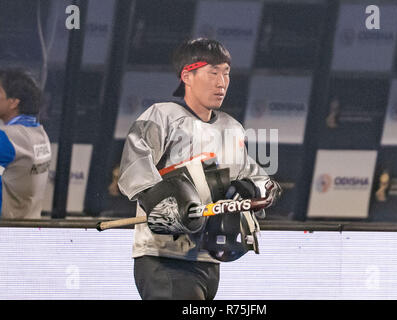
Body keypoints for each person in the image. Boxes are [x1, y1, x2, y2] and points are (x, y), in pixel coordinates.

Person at [117, 38, 281, 300]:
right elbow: (133, 168)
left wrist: (256, 190)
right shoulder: (161, 116)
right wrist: (161, 201)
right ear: (187, 76)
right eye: (212, 72)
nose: (221, 82)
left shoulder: (232, 128)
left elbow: (257, 178)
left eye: (226, 73)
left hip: (210, 258)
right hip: (165, 260)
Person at [0, 69, 51, 219]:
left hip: (7, 232)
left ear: (13, 102)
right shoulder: (40, 133)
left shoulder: (8, 138)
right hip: (30, 228)